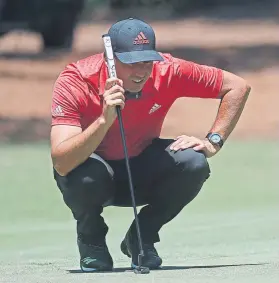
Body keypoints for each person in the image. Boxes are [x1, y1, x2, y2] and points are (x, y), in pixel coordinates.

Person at [50, 18, 251, 272]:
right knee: (82, 173)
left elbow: (237, 87)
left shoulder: (168, 70)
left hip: (141, 168)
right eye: (131, 62)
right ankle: (92, 241)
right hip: (96, 175)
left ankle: (141, 238)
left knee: (193, 162)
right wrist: (104, 119)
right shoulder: (76, 80)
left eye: (147, 61)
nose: (141, 71)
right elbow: (62, 162)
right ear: (110, 60)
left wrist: (213, 141)